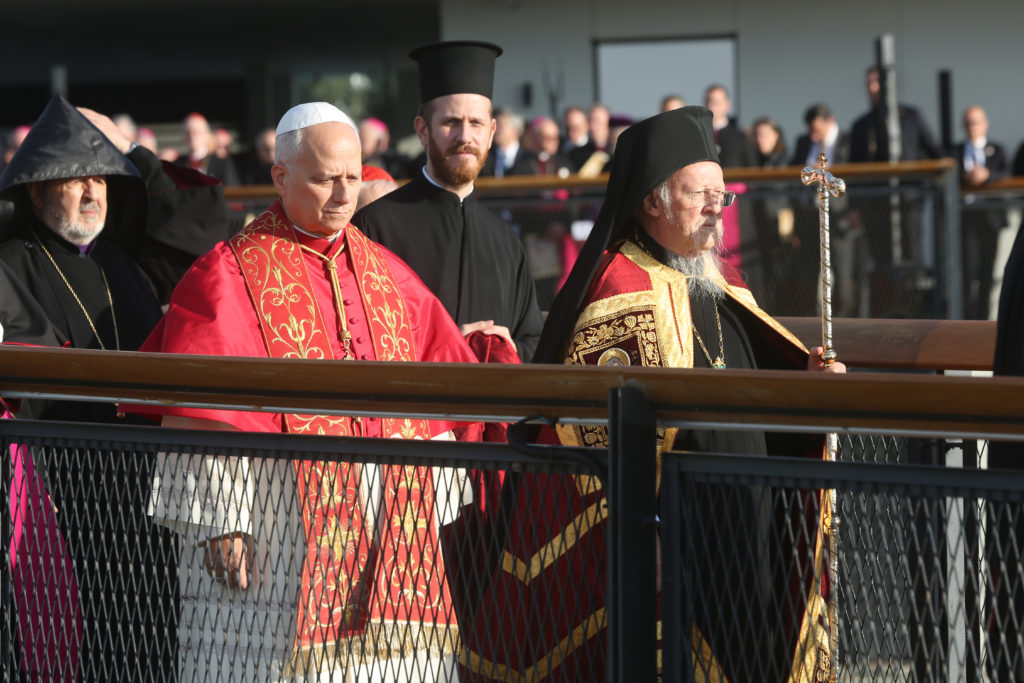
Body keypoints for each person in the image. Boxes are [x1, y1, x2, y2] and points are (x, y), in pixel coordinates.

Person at [460, 106, 841, 682]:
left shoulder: (722, 278)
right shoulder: (619, 291)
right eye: (701, 194)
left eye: (722, 195)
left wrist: (806, 385)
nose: (717, 207)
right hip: (682, 532)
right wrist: (644, 531)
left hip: (750, 519)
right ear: (652, 202)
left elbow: (757, 374)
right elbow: (598, 446)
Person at [132, 101, 483, 682]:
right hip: (276, 523)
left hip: (389, 519)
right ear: (280, 176)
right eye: (324, 179)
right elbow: (200, 406)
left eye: (352, 177)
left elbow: (434, 389)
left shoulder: (387, 272)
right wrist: (221, 520)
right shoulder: (228, 275)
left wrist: (431, 501)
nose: (344, 195)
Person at [0, 95, 174, 681]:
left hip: (145, 479)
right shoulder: (9, 266)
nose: (92, 192)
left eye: (99, 179)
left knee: (153, 626)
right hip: (65, 482)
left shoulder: (122, 264)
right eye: (75, 179)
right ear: (35, 193)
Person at [354, 41, 544, 362]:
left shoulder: (505, 239)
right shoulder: (375, 227)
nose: (464, 137)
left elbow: (533, 339)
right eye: (450, 122)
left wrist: (506, 349)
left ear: (491, 132)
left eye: (476, 123)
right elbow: (358, 336)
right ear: (423, 131)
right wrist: (448, 347)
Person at [956, 105, 1008, 319]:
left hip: (990, 219)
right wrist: (965, 177)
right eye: (968, 123)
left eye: (976, 122)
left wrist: (987, 176)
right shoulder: (955, 151)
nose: (972, 127)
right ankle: (967, 321)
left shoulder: (997, 150)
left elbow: (1006, 173)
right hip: (966, 218)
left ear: (985, 124)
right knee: (968, 273)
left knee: (988, 274)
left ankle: (984, 321)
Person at [176, 111, 241, 185]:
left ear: (206, 134)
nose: (192, 137)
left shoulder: (221, 164)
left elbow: (231, 189)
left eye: (197, 132)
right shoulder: (177, 166)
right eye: (188, 133)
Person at [704, 84, 755, 167]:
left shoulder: (740, 137)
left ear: (727, 104)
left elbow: (752, 167)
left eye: (717, 101)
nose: (713, 105)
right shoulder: (699, 137)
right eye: (710, 101)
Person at [480, 107, 527, 178]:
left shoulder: (528, 159)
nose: (495, 129)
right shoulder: (485, 157)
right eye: (494, 126)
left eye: (501, 125)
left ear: (515, 130)